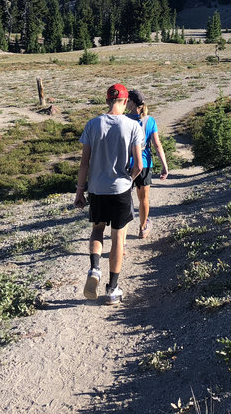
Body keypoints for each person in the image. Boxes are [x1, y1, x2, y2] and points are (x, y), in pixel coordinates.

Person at [75, 83, 144, 305]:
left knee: (97, 230)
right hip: (120, 190)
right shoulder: (133, 126)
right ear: (125, 102)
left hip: (96, 189)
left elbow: (84, 163)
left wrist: (80, 190)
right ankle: (112, 290)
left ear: (107, 100)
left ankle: (95, 269)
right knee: (118, 239)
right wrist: (128, 181)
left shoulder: (93, 125)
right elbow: (139, 165)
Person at [126, 89, 169, 239]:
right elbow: (157, 145)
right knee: (143, 199)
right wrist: (164, 165)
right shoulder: (150, 120)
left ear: (131, 102)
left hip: (126, 165)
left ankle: (121, 237)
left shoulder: (124, 119)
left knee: (125, 200)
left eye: (127, 100)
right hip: (144, 164)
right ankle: (143, 227)